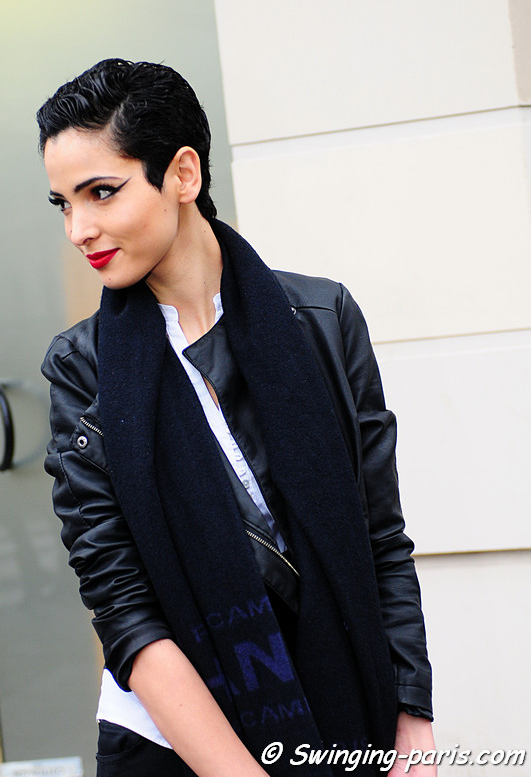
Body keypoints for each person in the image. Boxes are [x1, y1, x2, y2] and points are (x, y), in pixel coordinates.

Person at [37, 59, 435, 777]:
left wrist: (410, 721)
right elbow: (124, 609)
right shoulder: (81, 370)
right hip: (172, 742)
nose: (79, 227)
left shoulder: (319, 319)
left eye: (101, 192)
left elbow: (379, 537)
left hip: (344, 719)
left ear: (182, 175)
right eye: (63, 202)